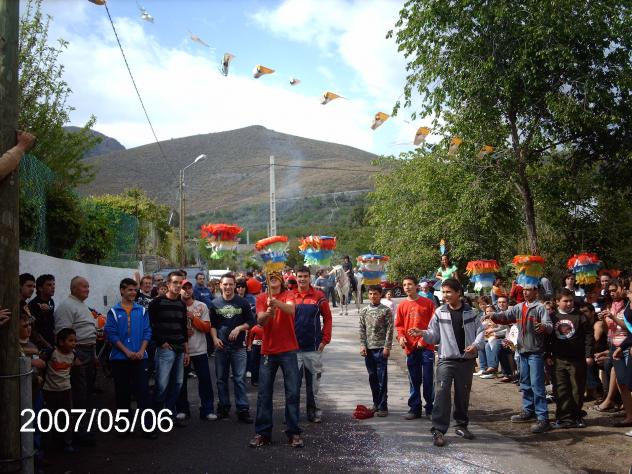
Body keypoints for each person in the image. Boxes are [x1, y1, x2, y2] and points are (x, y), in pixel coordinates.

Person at [409, 278, 485, 447]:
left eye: (449, 292)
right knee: (442, 392)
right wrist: (422, 333)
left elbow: (481, 332)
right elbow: (434, 335)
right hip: (446, 359)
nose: (445, 295)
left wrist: (475, 345)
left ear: (458, 293)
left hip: (466, 360)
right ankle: (438, 430)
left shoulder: (472, 312)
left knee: (462, 394)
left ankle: (461, 425)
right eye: (443, 292)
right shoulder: (440, 312)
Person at [487, 283, 553, 433]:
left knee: (537, 385)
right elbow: (505, 317)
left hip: (535, 352)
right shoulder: (519, 307)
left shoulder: (540, 307)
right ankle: (528, 411)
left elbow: (549, 326)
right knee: (525, 383)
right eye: (524, 290)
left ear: (536, 291)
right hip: (522, 351)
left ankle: (543, 418)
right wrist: (493, 316)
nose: (525, 292)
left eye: (529, 290)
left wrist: (543, 327)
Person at [250, 271, 302, 448]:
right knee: (264, 393)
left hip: (289, 350)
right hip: (268, 351)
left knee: (292, 392)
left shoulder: (289, 294)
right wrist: (268, 312)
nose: (273, 279)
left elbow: (291, 310)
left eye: (276, 277)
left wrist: (276, 303)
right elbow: (261, 322)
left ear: (281, 281)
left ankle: (294, 433)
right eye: (270, 277)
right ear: (267, 281)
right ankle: (263, 433)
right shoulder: (261, 298)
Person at [105, 278, 153, 436]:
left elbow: (147, 331)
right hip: (120, 359)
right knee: (122, 394)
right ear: (122, 291)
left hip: (140, 358)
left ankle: (147, 427)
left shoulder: (142, 311)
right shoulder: (113, 311)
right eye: (129, 290)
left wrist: (141, 351)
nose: (133, 292)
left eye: (135, 290)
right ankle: (124, 426)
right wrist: (126, 352)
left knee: (143, 393)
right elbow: (111, 335)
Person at [54, 276, 97, 445]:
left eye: (88, 286)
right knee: (80, 394)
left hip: (88, 351)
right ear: (73, 289)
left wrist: (94, 355)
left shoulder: (81, 305)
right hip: (78, 353)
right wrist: (74, 356)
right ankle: (79, 434)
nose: (87, 289)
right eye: (83, 287)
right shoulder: (67, 306)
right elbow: (62, 335)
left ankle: (84, 430)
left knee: (87, 393)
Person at [210, 273, 255, 422]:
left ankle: (242, 409)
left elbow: (251, 321)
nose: (228, 287)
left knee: (239, 379)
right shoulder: (215, 303)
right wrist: (214, 338)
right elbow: (212, 325)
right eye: (225, 284)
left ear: (235, 285)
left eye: (231, 284)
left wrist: (239, 328)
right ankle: (224, 407)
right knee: (221, 380)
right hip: (221, 347)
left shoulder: (243, 302)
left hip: (238, 348)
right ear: (220, 285)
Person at [546, 288, 593, 429]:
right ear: (557, 302)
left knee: (577, 389)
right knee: (561, 389)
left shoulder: (580, 316)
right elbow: (547, 338)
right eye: (565, 301)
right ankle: (563, 418)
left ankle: (576, 416)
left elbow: (588, 336)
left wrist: (588, 355)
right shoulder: (552, 317)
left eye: (571, 301)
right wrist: (547, 355)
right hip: (558, 359)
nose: (568, 303)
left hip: (577, 359)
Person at [148, 271, 190, 422]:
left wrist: (186, 351)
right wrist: (161, 342)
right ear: (168, 284)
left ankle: (168, 415)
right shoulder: (157, 303)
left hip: (180, 349)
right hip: (166, 349)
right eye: (175, 282)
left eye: (180, 283)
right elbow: (150, 325)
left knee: (177, 384)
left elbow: (184, 329)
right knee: (161, 385)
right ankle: (154, 419)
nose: (178, 286)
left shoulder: (181, 304)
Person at [293, 266, 333, 423]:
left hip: (313, 348)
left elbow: (328, 318)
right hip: (293, 349)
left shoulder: (318, 296)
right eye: (300, 276)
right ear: (296, 277)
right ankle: (292, 415)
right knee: (293, 385)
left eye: (305, 276)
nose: (302, 279)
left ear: (310, 278)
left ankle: (314, 412)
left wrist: (325, 340)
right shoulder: (290, 296)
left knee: (313, 385)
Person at [175, 280, 217, 421]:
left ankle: (207, 409)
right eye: (184, 288)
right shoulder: (175, 306)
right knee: (180, 382)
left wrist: (193, 318)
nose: (187, 290)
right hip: (181, 351)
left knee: (205, 381)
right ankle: (182, 409)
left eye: (189, 288)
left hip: (199, 350)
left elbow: (206, 328)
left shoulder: (201, 306)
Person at [395, 275, 436, 419]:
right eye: (404, 285)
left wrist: (423, 341)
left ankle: (430, 408)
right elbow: (399, 326)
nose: (407, 287)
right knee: (413, 379)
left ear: (416, 286)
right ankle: (415, 408)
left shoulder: (428, 303)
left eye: (410, 284)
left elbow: (433, 326)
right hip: (410, 347)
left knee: (428, 378)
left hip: (426, 347)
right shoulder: (401, 305)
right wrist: (401, 337)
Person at [359, 285, 393, 417]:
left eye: (375, 294)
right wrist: (362, 345)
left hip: (381, 349)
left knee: (382, 378)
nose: (373, 296)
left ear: (380, 295)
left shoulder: (386, 310)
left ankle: (383, 406)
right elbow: (362, 329)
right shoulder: (364, 311)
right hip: (368, 349)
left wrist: (387, 347)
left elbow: (390, 330)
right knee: (372, 377)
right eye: (371, 294)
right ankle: (376, 404)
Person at [42, 328, 77, 453]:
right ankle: (47, 445)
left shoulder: (73, 355)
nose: (73, 343)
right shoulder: (52, 353)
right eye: (70, 341)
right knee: (48, 417)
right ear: (61, 342)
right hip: (49, 390)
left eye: (75, 341)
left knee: (66, 416)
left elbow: (74, 366)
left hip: (66, 389)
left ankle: (67, 442)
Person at [29, 274, 56, 351]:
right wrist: (48, 346)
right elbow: (34, 329)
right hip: (39, 346)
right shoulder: (33, 305)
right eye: (49, 285)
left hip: (51, 342)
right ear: (40, 288)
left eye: (54, 284)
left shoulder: (51, 301)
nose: (53, 287)